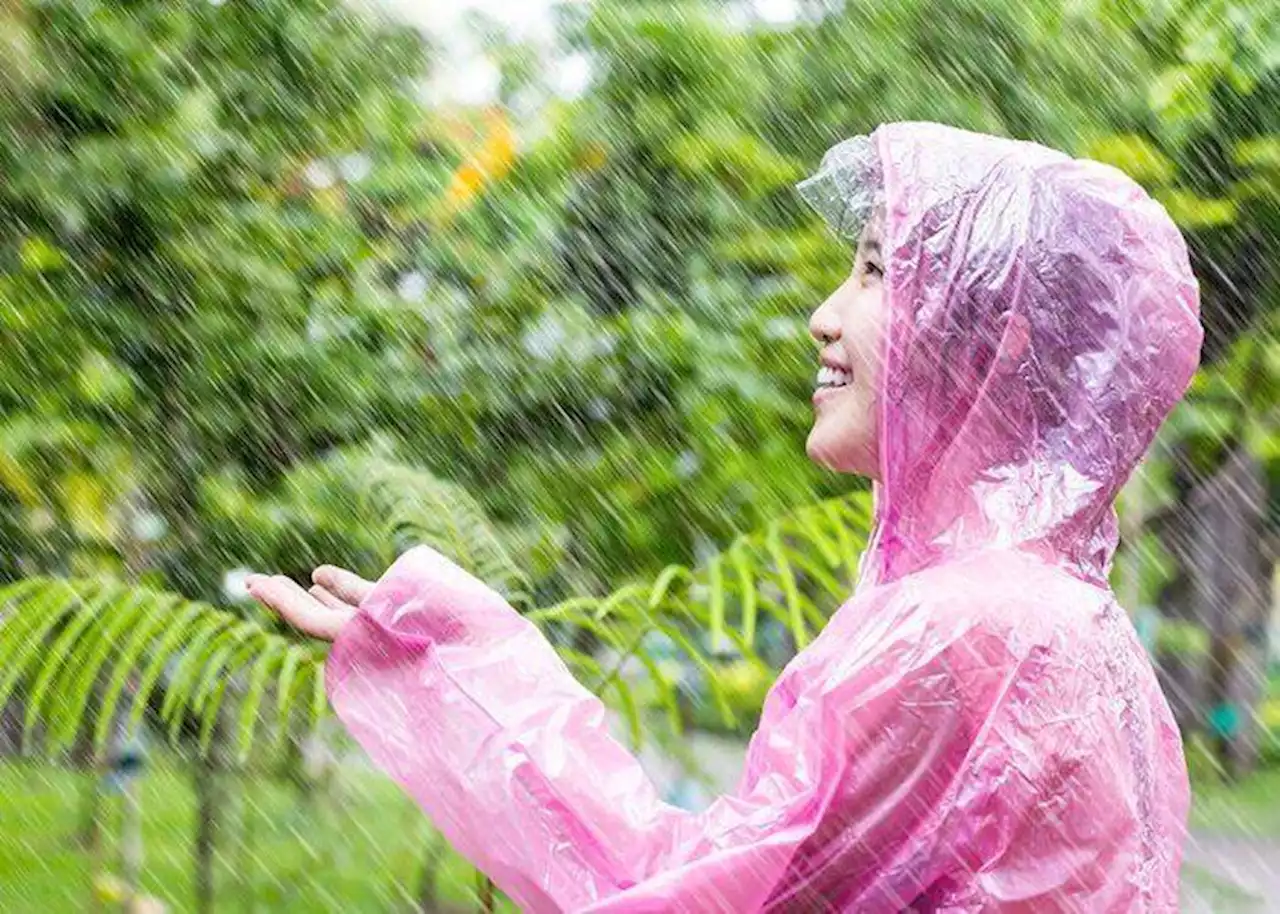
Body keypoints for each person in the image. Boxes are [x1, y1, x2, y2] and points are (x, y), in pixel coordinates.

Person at [246, 121, 1203, 912]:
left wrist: (441, 660)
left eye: (875, 273)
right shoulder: (1076, 624)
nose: (822, 317)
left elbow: (682, 893)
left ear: (996, 335)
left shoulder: (953, 633)